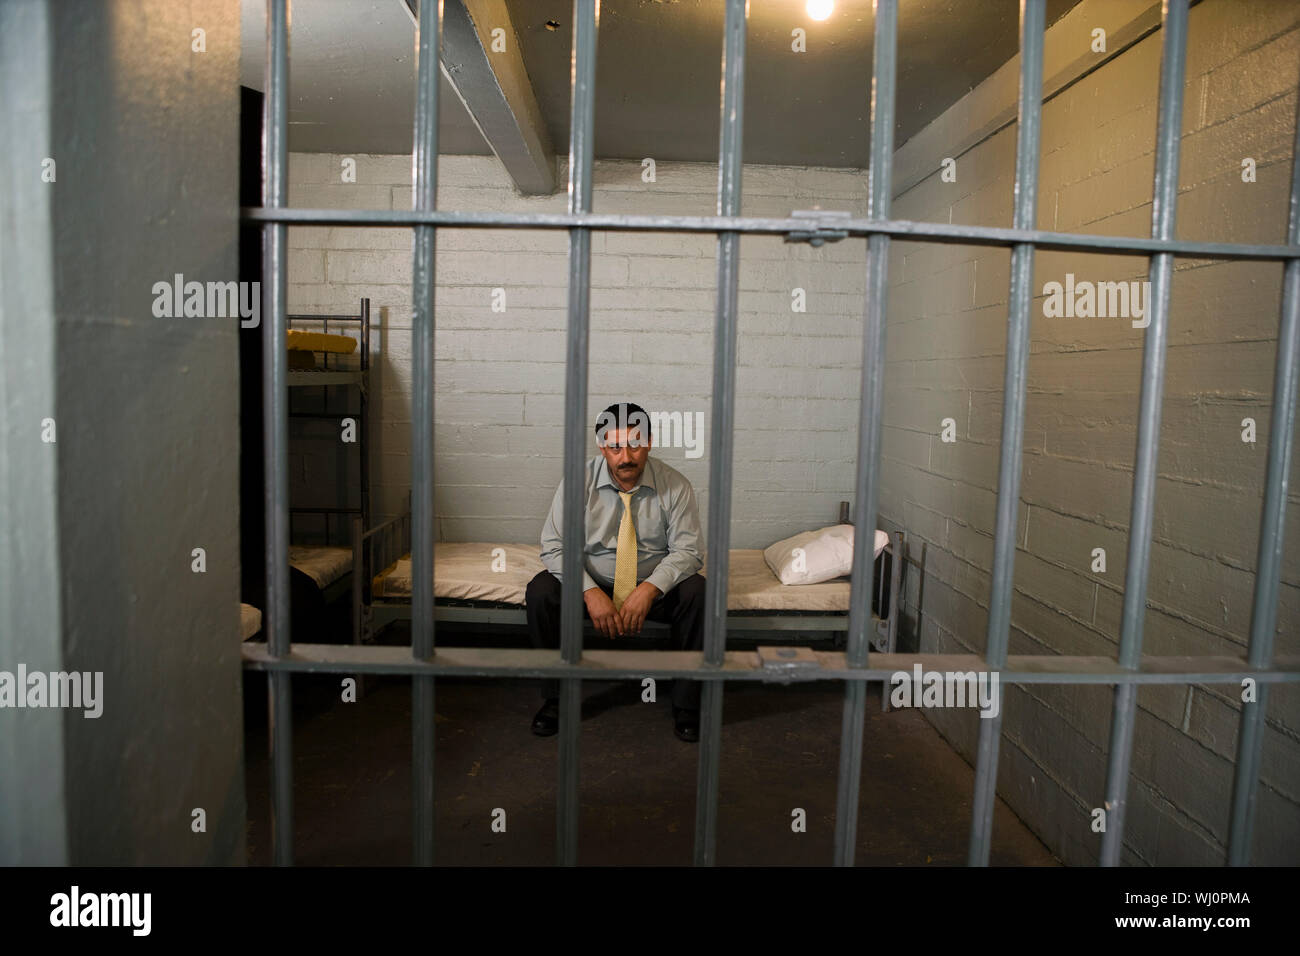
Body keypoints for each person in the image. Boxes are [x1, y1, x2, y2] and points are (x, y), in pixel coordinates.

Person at [526, 402, 706, 742]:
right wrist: (589, 591)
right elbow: (554, 546)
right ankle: (556, 699)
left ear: (649, 442)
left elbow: (689, 551)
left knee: (698, 593)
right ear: (601, 447)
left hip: (652, 589)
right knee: (541, 592)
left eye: (635, 444)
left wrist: (649, 589)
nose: (626, 456)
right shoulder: (578, 482)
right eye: (615, 446)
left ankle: (686, 703)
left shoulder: (676, 486)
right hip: (593, 583)